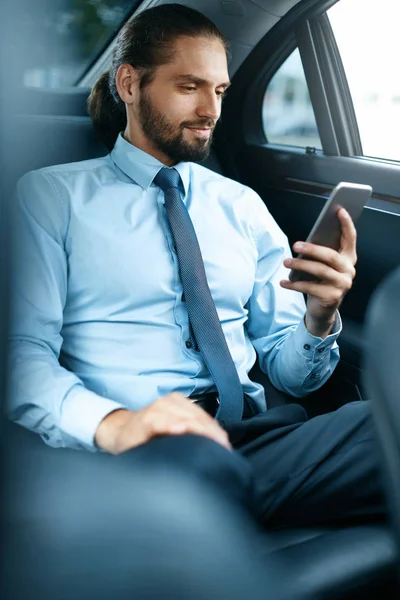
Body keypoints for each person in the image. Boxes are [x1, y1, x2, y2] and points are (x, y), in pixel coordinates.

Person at [7, 4, 385, 528]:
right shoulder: (51, 198)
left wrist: (319, 316)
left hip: (260, 440)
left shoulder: (242, 205)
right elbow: (20, 358)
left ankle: (207, 518)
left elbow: (292, 377)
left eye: (221, 91)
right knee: (197, 471)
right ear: (129, 84)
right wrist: (116, 425)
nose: (211, 109)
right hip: (139, 452)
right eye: (189, 87)